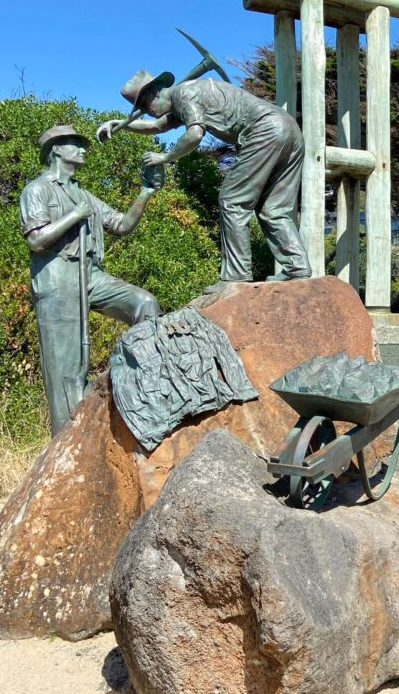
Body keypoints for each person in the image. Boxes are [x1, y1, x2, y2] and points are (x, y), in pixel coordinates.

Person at [96, 71, 312, 294]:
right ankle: (296, 266)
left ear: (158, 91)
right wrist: (120, 124)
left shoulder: (184, 93)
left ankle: (236, 276)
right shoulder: (183, 99)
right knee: (273, 209)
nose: (145, 109)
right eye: (138, 105)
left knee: (232, 201)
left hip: (265, 131)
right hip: (289, 130)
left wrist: (165, 157)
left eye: (145, 101)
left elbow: (195, 134)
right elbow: (157, 127)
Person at [20, 125, 161, 435]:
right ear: (57, 150)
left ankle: (137, 389)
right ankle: (66, 444)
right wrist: (74, 216)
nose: (84, 149)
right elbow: (37, 241)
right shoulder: (38, 189)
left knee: (144, 303)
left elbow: (122, 225)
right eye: (76, 144)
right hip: (57, 276)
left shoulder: (84, 195)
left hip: (90, 273)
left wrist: (144, 194)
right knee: (66, 372)